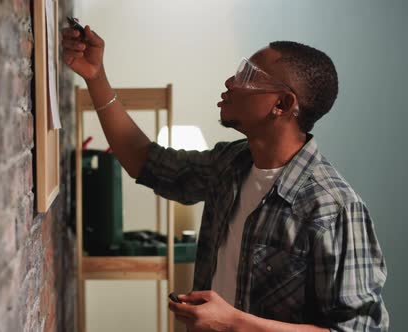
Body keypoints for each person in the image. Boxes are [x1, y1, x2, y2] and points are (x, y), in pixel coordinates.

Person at [62, 22, 389, 332]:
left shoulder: (334, 207)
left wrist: (233, 323)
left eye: (248, 75)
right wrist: (96, 76)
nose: (231, 82)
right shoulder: (231, 163)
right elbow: (146, 161)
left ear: (283, 104)